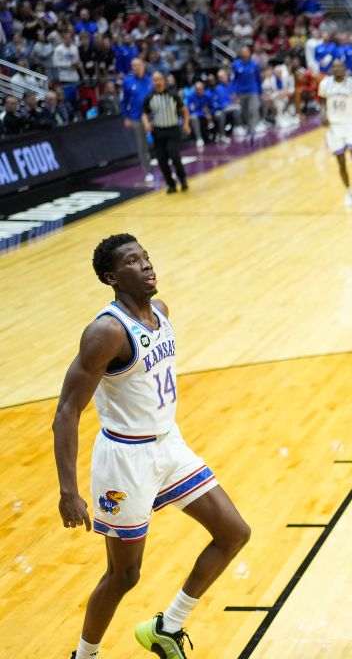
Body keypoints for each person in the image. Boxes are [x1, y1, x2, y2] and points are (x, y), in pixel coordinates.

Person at [54, 234, 250, 659]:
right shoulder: (106, 332)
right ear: (111, 277)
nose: (145, 265)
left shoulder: (160, 311)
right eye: (131, 261)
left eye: (145, 257)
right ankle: (84, 655)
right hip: (126, 459)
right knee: (125, 575)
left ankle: (167, 627)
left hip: (169, 446)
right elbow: (67, 411)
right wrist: (69, 491)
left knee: (234, 533)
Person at [318, 59, 352, 208]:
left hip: (351, 126)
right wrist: (323, 114)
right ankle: (349, 192)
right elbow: (322, 102)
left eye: (340, 67)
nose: (337, 69)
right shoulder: (325, 84)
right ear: (331, 70)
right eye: (334, 67)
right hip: (334, 128)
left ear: (345, 69)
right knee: (341, 163)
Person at [142, 71, 191, 194]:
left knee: (174, 155)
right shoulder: (150, 97)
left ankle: (183, 179)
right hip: (158, 131)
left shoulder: (173, 95)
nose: (157, 82)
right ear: (152, 82)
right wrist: (147, 123)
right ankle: (171, 184)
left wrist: (186, 124)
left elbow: (184, 110)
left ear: (163, 80)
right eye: (155, 80)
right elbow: (144, 113)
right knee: (162, 159)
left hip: (173, 129)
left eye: (159, 79)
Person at [121, 57, 154, 183]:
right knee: (142, 145)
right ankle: (148, 171)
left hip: (153, 117)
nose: (136, 67)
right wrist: (126, 117)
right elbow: (124, 101)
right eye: (133, 65)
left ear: (143, 65)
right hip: (136, 117)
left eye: (138, 65)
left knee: (160, 142)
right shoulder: (128, 82)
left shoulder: (150, 80)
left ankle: (165, 168)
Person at [230, 46, 262, 137]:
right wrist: (233, 92)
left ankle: (252, 131)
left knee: (253, 111)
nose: (244, 54)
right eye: (243, 52)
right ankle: (248, 127)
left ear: (249, 53)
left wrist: (260, 92)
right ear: (240, 54)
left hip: (253, 91)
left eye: (246, 52)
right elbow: (233, 79)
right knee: (244, 113)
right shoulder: (235, 65)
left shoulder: (255, 65)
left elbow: (258, 79)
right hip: (241, 92)